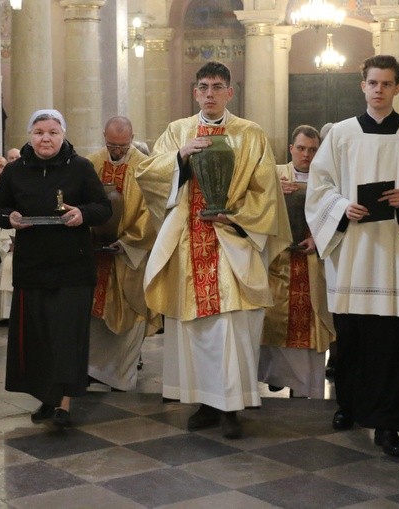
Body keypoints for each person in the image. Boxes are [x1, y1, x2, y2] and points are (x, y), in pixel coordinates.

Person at [135, 61, 289, 439]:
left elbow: (266, 192)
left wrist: (235, 218)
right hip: (189, 245)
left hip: (231, 243)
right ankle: (204, 401)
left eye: (217, 87)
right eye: (203, 87)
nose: (209, 94)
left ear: (229, 92)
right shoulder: (178, 131)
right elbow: (150, 176)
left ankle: (232, 407)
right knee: (196, 330)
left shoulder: (251, 135)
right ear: (195, 91)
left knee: (231, 331)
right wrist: (180, 157)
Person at [306, 55, 399, 457]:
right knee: (352, 337)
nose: (379, 90)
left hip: (395, 254)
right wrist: (340, 207)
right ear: (362, 86)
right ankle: (348, 405)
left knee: (395, 343)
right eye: (373, 83)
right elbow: (319, 188)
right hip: (352, 250)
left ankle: (390, 425)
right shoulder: (340, 134)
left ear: (397, 88)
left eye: (387, 84)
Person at [0, 109, 112, 428]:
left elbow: (103, 208)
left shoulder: (81, 167)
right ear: (30, 135)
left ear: (63, 135)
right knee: (38, 337)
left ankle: (64, 405)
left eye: (53, 132)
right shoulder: (15, 171)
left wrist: (82, 214)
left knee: (65, 338)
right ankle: (46, 398)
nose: (46, 137)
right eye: (40, 131)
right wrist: (10, 219)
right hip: (33, 268)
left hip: (72, 269)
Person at [259, 125, 336, 398]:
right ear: (291, 148)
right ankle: (277, 375)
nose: (306, 154)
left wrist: (317, 239)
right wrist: (272, 191)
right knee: (273, 318)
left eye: (313, 149)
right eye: (301, 148)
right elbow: (252, 205)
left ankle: (304, 387)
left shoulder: (327, 179)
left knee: (310, 320)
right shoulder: (273, 175)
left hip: (311, 262)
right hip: (278, 262)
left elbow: (335, 214)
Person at [85, 116, 158, 391]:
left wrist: (128, 241)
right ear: (103, 135)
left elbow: (152, 210)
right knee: (94, 316)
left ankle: (121, 375)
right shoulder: (92, 163)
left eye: (123, 145)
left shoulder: (145, 166)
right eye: (112, 144)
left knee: (130, 314)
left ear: (132, 137)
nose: (117, 150)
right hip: (96, 257)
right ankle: (93, 370)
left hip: (129, 254)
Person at [0, 227, 14, 322]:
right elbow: (4, 239)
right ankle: (8, 312)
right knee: (8, 263)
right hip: (17, 252)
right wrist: (9, 246)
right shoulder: (18, 212)